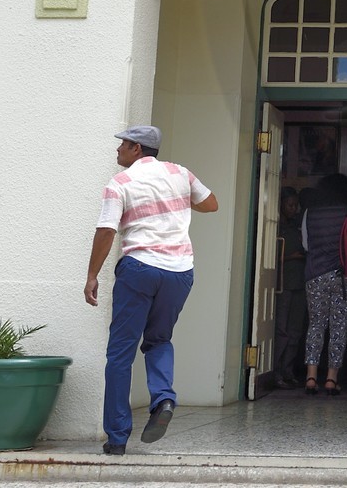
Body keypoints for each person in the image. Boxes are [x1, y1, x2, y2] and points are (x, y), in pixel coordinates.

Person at [85, 124, 217, 456]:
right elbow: (211, 203)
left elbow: (106, 229)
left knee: (120, 353)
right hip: (179, 272)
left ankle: (117, 437)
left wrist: (92, 275)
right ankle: (164, 398)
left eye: (123, 145)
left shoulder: (120, 183)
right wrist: (177, 202)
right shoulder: (180, 173)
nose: (118, 150)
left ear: (137, 149)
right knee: (159, 339)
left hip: (140, 269)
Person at [301, 173, 347, 396]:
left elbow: (306, 245)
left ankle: (310, 376)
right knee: (339, 327)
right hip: (343, 276)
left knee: (316, 324)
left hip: (315, 275)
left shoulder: (310, 213)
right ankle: (331, 379)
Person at [273, 187, 306, 388]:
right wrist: (291, 257)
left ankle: (288, 370)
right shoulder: (275, 227)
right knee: (281, 330)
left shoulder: (298, 226)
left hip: (299, 282)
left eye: (296, 205)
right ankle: (275, 372)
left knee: (295, 330)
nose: (294, 209)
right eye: (290, 205)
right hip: (283, 283)